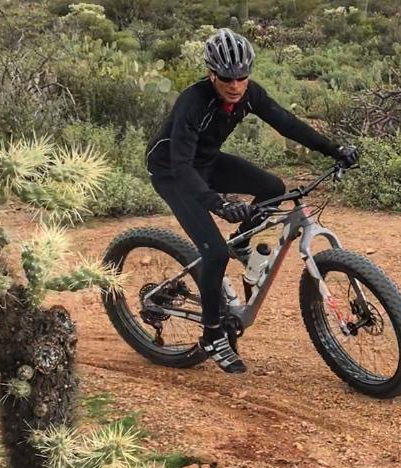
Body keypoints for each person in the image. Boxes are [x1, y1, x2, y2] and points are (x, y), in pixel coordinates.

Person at [147, 28, 358, 374]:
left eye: (242, 77)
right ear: (211, 74)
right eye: (227, 78)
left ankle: (244, 246)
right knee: (213, 253)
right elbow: (182, 167)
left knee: (273, 186)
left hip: (207, 163)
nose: (235, 85)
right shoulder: (193, 102)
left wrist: (333, 150)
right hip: (173, 171)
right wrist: (219, 204)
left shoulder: (249, 94)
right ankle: (212, 334)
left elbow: (287, 124)